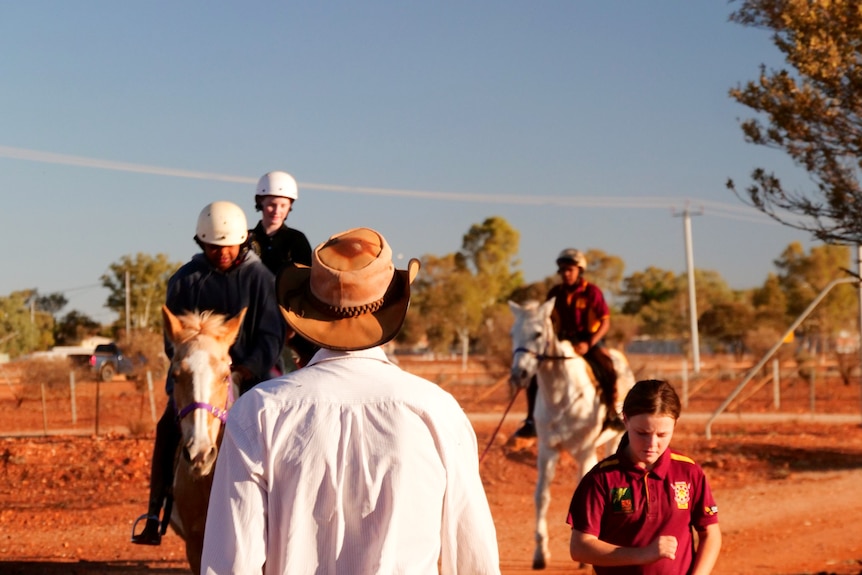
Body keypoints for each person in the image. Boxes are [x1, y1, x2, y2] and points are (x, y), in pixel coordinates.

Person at [200, 227, 501, 574]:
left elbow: (231, 561)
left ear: (307, 312)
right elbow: (472, 554)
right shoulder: (437, 410)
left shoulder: (259, 411)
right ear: (393, 304)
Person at [130, 200, 286, 546]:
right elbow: (173, 340)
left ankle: (289, 504)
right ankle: (156, 510)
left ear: (243, 241)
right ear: (202, 243)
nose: (222, 252)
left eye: (228, 245)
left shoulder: (260, 279)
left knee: (283, 428)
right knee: (167, 427)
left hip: (253, 374)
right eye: (213, 246)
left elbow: (271, 336)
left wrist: (245, 370)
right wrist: (192, 357)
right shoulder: (185, 280)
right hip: (198, 375)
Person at [566, 379, 721, 574]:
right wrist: (643, 554)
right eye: (642, 433)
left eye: (662, 434)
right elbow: (580, 548)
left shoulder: (689, 472)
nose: (652, 444)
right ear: (625, 419)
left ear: (676, 423)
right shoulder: (601, 478)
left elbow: (710, 534)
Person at [514, 247, 619, 438]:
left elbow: (605, 322)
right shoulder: (555, 293)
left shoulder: (592, 292)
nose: (566, 274)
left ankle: (611, 413)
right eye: (563, 270)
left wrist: (589, 343)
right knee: (536, 374)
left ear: (580, 270)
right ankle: (531, 420)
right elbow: (547, 320)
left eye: (570, 269)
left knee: (607, 367)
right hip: (562, 342)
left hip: (589, 341)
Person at [248, 170, 316, 369]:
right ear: (260, 202)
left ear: (290, 207)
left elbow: (307, 283)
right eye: (271, 204)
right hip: (251, 323)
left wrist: (293, 323)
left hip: (291, 323)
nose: (277, 210)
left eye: (283, 205)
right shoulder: (245, 239)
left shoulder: (297, 240)